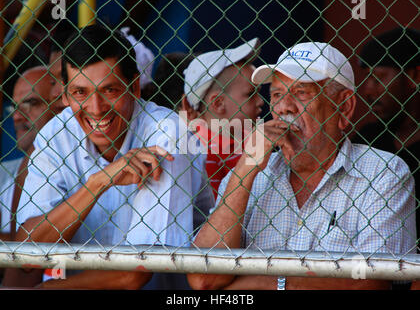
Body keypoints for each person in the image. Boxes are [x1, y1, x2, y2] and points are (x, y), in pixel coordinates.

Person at [187, 42, 416, 290]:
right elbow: (203, 280)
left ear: (344, 107)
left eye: (301, 93)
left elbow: (369, 284)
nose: (283, 107)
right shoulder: (249, 176)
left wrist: (264, 282)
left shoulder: (382, 173)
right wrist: (245, 170)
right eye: (276, 94)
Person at [11, 24, 212, 289]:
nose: (96, 109)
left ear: (135, 89)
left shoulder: (168, 133)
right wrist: (98, 183)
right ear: (66, 95)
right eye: (80, 93)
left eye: (110, 90)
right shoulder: (57, 132)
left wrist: (48, 289)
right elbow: (27, 256)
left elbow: (135, 272)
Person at [352, 27, 420, 245]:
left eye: (378, 77)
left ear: (414, 75)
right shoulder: (368, 138)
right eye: (366, 78)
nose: (367, 90)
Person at [181, 39, 264, 199]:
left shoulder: (247, 141)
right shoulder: (202, 154)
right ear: (218, 103)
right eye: (251, 94)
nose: (261, 101)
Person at [0, 66, 64, 242]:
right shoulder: (3, 173)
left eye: (31, 104)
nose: (17, 117)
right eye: (14, 107)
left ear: (60, 105)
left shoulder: (78, 166)